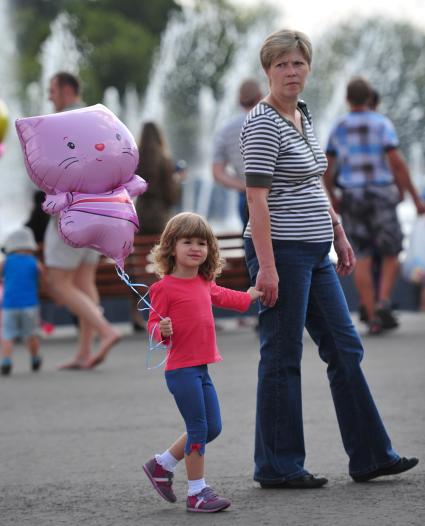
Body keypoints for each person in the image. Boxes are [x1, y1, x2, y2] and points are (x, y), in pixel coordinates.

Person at [240, 29, 419, 488]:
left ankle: (371, 455)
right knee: (281, 357)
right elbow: (256, 201)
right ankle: (277, 466)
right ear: (268, 70)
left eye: (298, 63)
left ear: (309, 67)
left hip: (316, 249)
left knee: (345, 348)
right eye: (281, 64)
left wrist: (337, 231)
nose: (291, 71)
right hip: (280, 251)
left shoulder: (302, 113)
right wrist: (268, 268)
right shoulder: (262, 122)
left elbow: (315, 181)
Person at [143, 212, 262, 512]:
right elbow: (154, 327)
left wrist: (250, 296)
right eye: (187, 242)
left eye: (202, 242)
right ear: (171, 247)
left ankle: (162, 464)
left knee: (213, 427)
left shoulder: (203, 282)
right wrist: (162, 330)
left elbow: (224, 296)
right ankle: (197, 492)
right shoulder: (163, 288)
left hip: (201, 368)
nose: (195, 247)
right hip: (181, 371)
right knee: (198, 428)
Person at [324, 76, 425, 334]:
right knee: (391, 251)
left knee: (363, 254)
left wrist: (332, 195)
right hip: (381, 194)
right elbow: (397, 163)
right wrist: (413, 197)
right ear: (370, 98)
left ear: (347, 100)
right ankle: (382, 302)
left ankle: (371, 315)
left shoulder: (339, 127)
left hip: (352, 197)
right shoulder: (381, 123)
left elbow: (326, 166)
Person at [44, 72, 120, 369]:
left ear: (65, 90)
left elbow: (51, 170)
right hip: (99, 211)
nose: (49, 96)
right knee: (84, 279)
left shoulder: (60, 124)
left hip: (70, 213)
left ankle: (105, 330)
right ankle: (84, 351)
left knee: (58, 283)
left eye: (52, 90)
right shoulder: (97, 119)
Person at [133, 121, 185, 331]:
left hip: (139, 216)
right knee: (164, 264)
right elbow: (171, 196)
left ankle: (135, 313)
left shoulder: (135, 161)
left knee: (136, 266)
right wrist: (178, 180)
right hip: (160, 219)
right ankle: (166, 312)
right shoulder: (165, 161)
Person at [212, 80, 263, 228]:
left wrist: (244, 186)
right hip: (275, 194)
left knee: (251, 245)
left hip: (246, 197)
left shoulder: (226, 130)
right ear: (260, 96)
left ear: (239, 100)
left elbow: (217, 173)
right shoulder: (271, 121)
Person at [1, 227, 43, 375]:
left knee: (7, 334)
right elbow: (42, 277)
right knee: (31, 334)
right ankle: (35, 358)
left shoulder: (6, 262)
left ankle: (6, 360)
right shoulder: (34, 262)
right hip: (29, 305)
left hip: (9, 305)